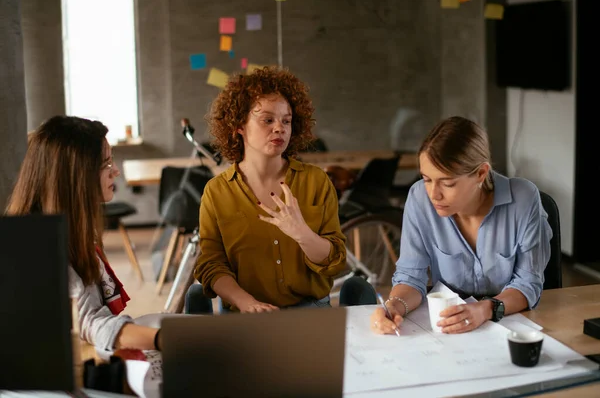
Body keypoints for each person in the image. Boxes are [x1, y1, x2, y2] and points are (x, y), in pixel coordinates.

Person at [192, 66, 353, 313]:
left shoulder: (316, 181)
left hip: (311, 310)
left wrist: (302, 233)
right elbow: (211, 264)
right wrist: (247, 303)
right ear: (239, 126)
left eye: (286, 121)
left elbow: (336, 261)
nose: (280, 128)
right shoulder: (217, 192)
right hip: (244, 313)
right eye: (267, 120)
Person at [370, 116, 552, 335]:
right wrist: (394, 306)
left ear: (481, 173)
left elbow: (528, 283)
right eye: (427, 179)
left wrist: (485, 310)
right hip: (449, 330)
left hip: (513, 325)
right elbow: (411, 276)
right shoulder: (419, 198)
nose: (433, 194)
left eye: (448, 183)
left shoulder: (523, 198)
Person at [6, 116, 163, 352]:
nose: (116, 172)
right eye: (107, 164)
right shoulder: (41, 247)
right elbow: (89, 323)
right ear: (77, 175)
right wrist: (165, 339)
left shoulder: (68, 228)